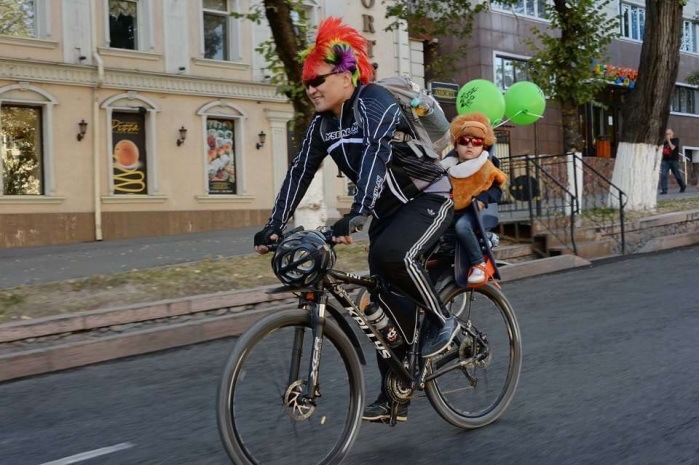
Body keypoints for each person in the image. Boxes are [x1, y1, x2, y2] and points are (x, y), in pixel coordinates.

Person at [253, 17, 457, 423]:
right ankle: (395, 392)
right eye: (306, 83)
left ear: (346, 76)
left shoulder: (373, 100)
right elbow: (300, 171)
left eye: (318, 80)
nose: (311, 89)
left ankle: (442, 322)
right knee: (380, 301)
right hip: (387, 212)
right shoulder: (323, 124)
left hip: (428, 198)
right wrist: (274, 224)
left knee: (390, 256)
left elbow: (377, 152)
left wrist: (358, 212)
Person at [441, 113, 506, 284]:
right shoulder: (447, 166)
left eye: (476, 142)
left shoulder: (486, 166)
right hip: (448, 210)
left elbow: (497, 190)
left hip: (472, 211)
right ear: (456, 145)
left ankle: (479, 264)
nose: (470, 145)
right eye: (464, 141)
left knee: (462, 226)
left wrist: (482, 199)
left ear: (483, 146)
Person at [660, 129, 686, 194]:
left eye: (669, 134)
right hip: (665, 160)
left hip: (674, 160)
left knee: (677, 175)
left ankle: (683, 186)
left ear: (672, 134)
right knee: (663, 174)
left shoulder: (676, 140)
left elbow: (672, 148)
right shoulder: (665, 142)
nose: (668, 135)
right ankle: (664, 190)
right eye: (667, 134)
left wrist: (669, 140)